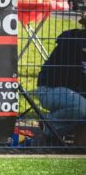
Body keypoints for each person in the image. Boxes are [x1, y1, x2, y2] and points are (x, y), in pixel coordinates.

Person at [36, 11, 86, 145]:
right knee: (81, 106)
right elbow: (68, 78)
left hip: (75, 92)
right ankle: (49, 126)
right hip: (50, 89)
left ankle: (77, 144)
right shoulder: (73, 42)